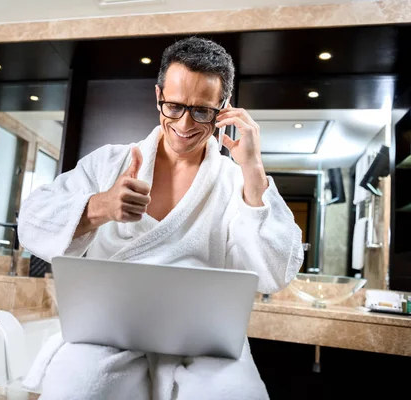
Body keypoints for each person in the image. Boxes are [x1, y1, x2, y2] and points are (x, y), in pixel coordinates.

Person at [18, 37, 303, 400]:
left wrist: (253, 167)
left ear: (224, 108)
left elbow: (275, 272)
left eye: (202, 111)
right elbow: (30, 222)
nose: (185, 124)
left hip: (204, 343)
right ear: (158, 96)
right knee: (79, 388)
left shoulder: (237, 182)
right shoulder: (111, 163)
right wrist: (100, 207)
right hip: (108, 331)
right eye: (174, 106)